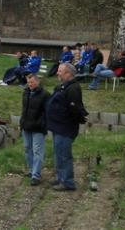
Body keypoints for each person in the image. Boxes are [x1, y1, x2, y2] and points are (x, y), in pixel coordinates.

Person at [46, 63, 88, 191]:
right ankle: (60, 178)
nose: (57, 73)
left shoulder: (73, 88)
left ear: (69, 74)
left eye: (60, 71)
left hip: (65, 128)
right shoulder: (62, 87)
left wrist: (78, 120)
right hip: (57, 127)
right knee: (58, 154)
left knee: (65, 155)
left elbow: (75, 109)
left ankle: (68, 182)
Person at [20, 73, 50, 185]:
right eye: (28, 82)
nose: (30, 84)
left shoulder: (45, 95)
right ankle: (32, 170)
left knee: (37, 150)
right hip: (26, 126)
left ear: (37, 82)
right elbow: (24, 109)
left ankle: (36, 175)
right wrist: (22, 122)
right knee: (27, 148)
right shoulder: (26, 92)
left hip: (38, 127)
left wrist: (42, 123)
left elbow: (48, 112)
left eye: (32, 82)